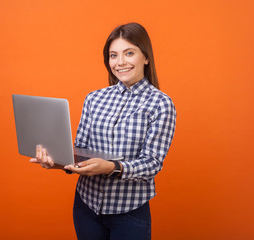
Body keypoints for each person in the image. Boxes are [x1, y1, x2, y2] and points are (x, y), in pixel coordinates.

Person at [30, 22, 176, 240]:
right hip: (86, 207)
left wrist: (111, 167)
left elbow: (152, 163)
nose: (121, 62)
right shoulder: (94, 98)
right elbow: (80, 151)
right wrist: (57, 161)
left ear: (145, 57)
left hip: (129, 213)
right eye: (113, 55)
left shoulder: (161, 104)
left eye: (129, 53)